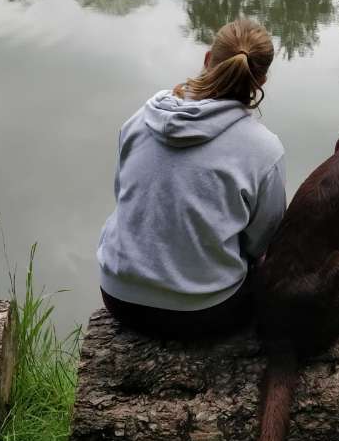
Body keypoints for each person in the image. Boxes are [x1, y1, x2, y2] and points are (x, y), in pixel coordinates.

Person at [97, 18, 285, 339]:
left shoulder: (140, 119)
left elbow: (123, 196)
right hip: (205, 314)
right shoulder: (264, 149)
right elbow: (262, 242)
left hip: (118, 297)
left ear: (208, 58)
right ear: (262, 80)